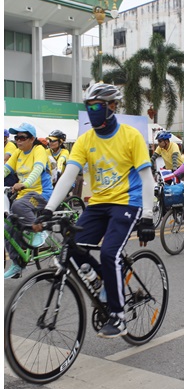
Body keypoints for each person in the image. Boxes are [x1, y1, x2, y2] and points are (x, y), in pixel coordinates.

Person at [35, 83, 155, 336]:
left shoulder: (131, 136)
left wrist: (147, 216)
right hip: (99, 203)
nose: (92, 111)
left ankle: (118, 316)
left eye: (97, 106)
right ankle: (104, 280)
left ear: (112, 106)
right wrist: (48, 209)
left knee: (110, 253)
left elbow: (147, 179)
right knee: (72, 247)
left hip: (127, 202)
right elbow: (68, 176)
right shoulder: (85, 139)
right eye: (88, 106)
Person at [3, 123, 52, 278]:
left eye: (22, 137)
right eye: (16, 137)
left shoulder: (39, 150)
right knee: (8, 228)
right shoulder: (17, 153)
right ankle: (18, 264)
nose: (18, 141)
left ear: (32, 139)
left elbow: (37, 169)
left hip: (41, 195)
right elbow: (4, 170)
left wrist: (24, 184)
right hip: (24, 197)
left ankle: (40, 229)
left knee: (18, 205)